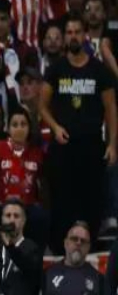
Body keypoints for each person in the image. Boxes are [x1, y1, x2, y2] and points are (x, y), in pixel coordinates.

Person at [41, 15, 118, 252]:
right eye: (69, 32)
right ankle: (59, 248)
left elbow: (111, 109)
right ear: (65, 37)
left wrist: (112, 144)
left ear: (85, 35)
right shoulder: (55, 69)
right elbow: (42, 105)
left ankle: (90, 249)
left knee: (91, 200)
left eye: (77, 32)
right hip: (64, 146)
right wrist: (55, 127)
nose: (73, 36)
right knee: (62, 200)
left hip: (92, 145)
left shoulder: (99, 70)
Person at [41, 223, 105, 295]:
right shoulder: (47, 274)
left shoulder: (99, 279)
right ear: (66, 243)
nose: (78, 243)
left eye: (83, 241)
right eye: (74, 239)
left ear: (88, 247)